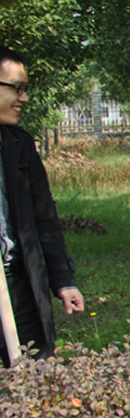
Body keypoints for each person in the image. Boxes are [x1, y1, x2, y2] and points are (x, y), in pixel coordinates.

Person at [0, 47, 84, 365]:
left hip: (18, 285)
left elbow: (44, 220)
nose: (24, 98)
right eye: (16, 88)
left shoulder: (19, 146)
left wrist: (63, 280)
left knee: (35, 376)